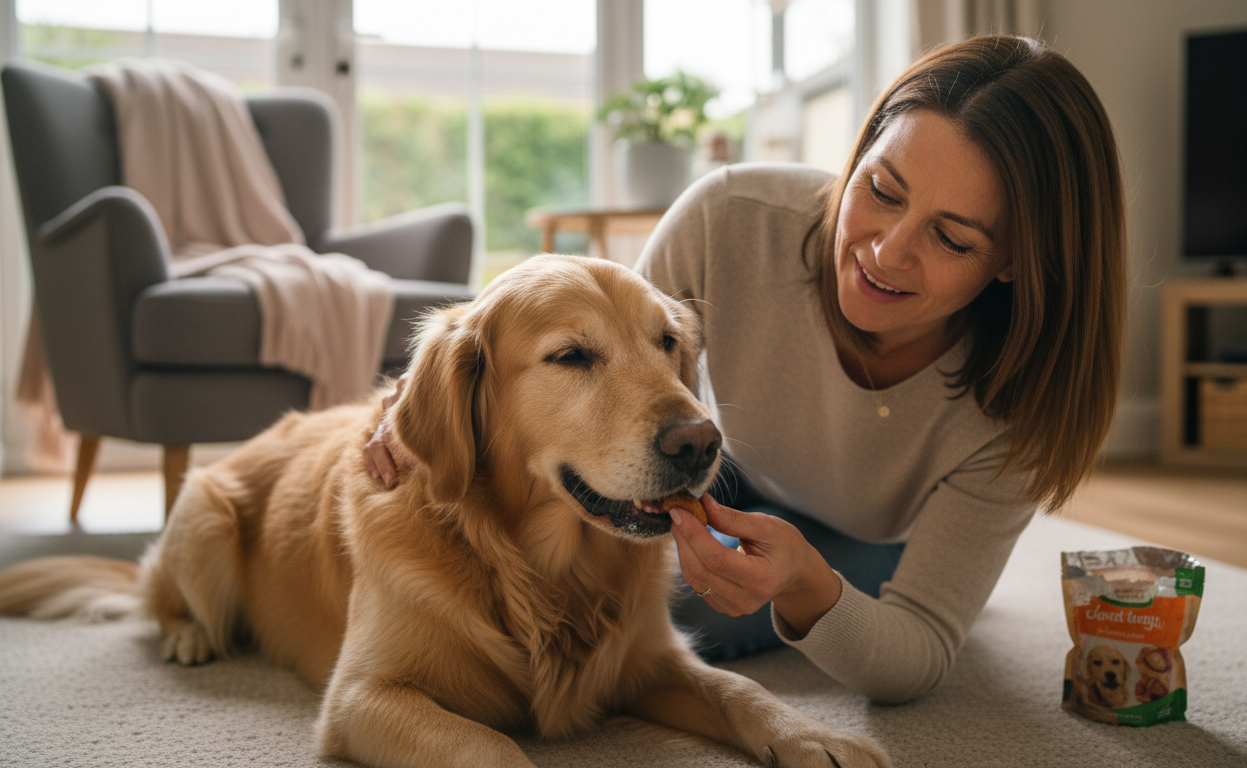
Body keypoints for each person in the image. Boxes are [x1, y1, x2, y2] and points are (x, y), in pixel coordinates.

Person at [364, 35, 1127, 705]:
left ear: (1017, 262)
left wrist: (807, 586)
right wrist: (434, 389)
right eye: (881, 190)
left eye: (952, 239)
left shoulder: (1023, 399)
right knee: (544, 585)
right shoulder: (731, 215)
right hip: (718, 474)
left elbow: (917, 652)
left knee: (664, 624)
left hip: (867, 541)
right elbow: (594, 328)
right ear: (857, 157)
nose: (886, 252)